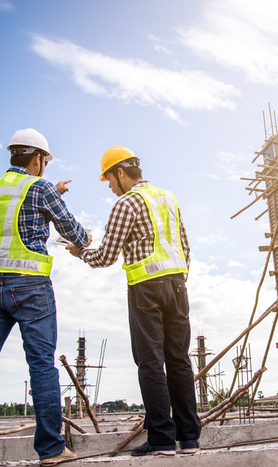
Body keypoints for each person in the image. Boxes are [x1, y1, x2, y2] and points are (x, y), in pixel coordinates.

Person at [0, 128, 90, 467]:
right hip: (31, 288)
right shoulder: (40, 187)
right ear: (39, 159)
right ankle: (51, 451)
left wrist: (50, 191)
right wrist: (84, 237)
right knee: (41, 366)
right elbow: (73, 231)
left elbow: (16, 204)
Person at [66, 146, 201, 456]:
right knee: (179, 360)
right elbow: (184, 246)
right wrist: (178, 279)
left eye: (109, 180)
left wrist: (80, 251)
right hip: (178, 285)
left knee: (150, 360)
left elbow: (104, 257)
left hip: (145, 288)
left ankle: (163, 439)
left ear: (121, 173)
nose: (110, 186)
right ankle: (189, 439)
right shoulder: (167, 198)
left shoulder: (126, 204)